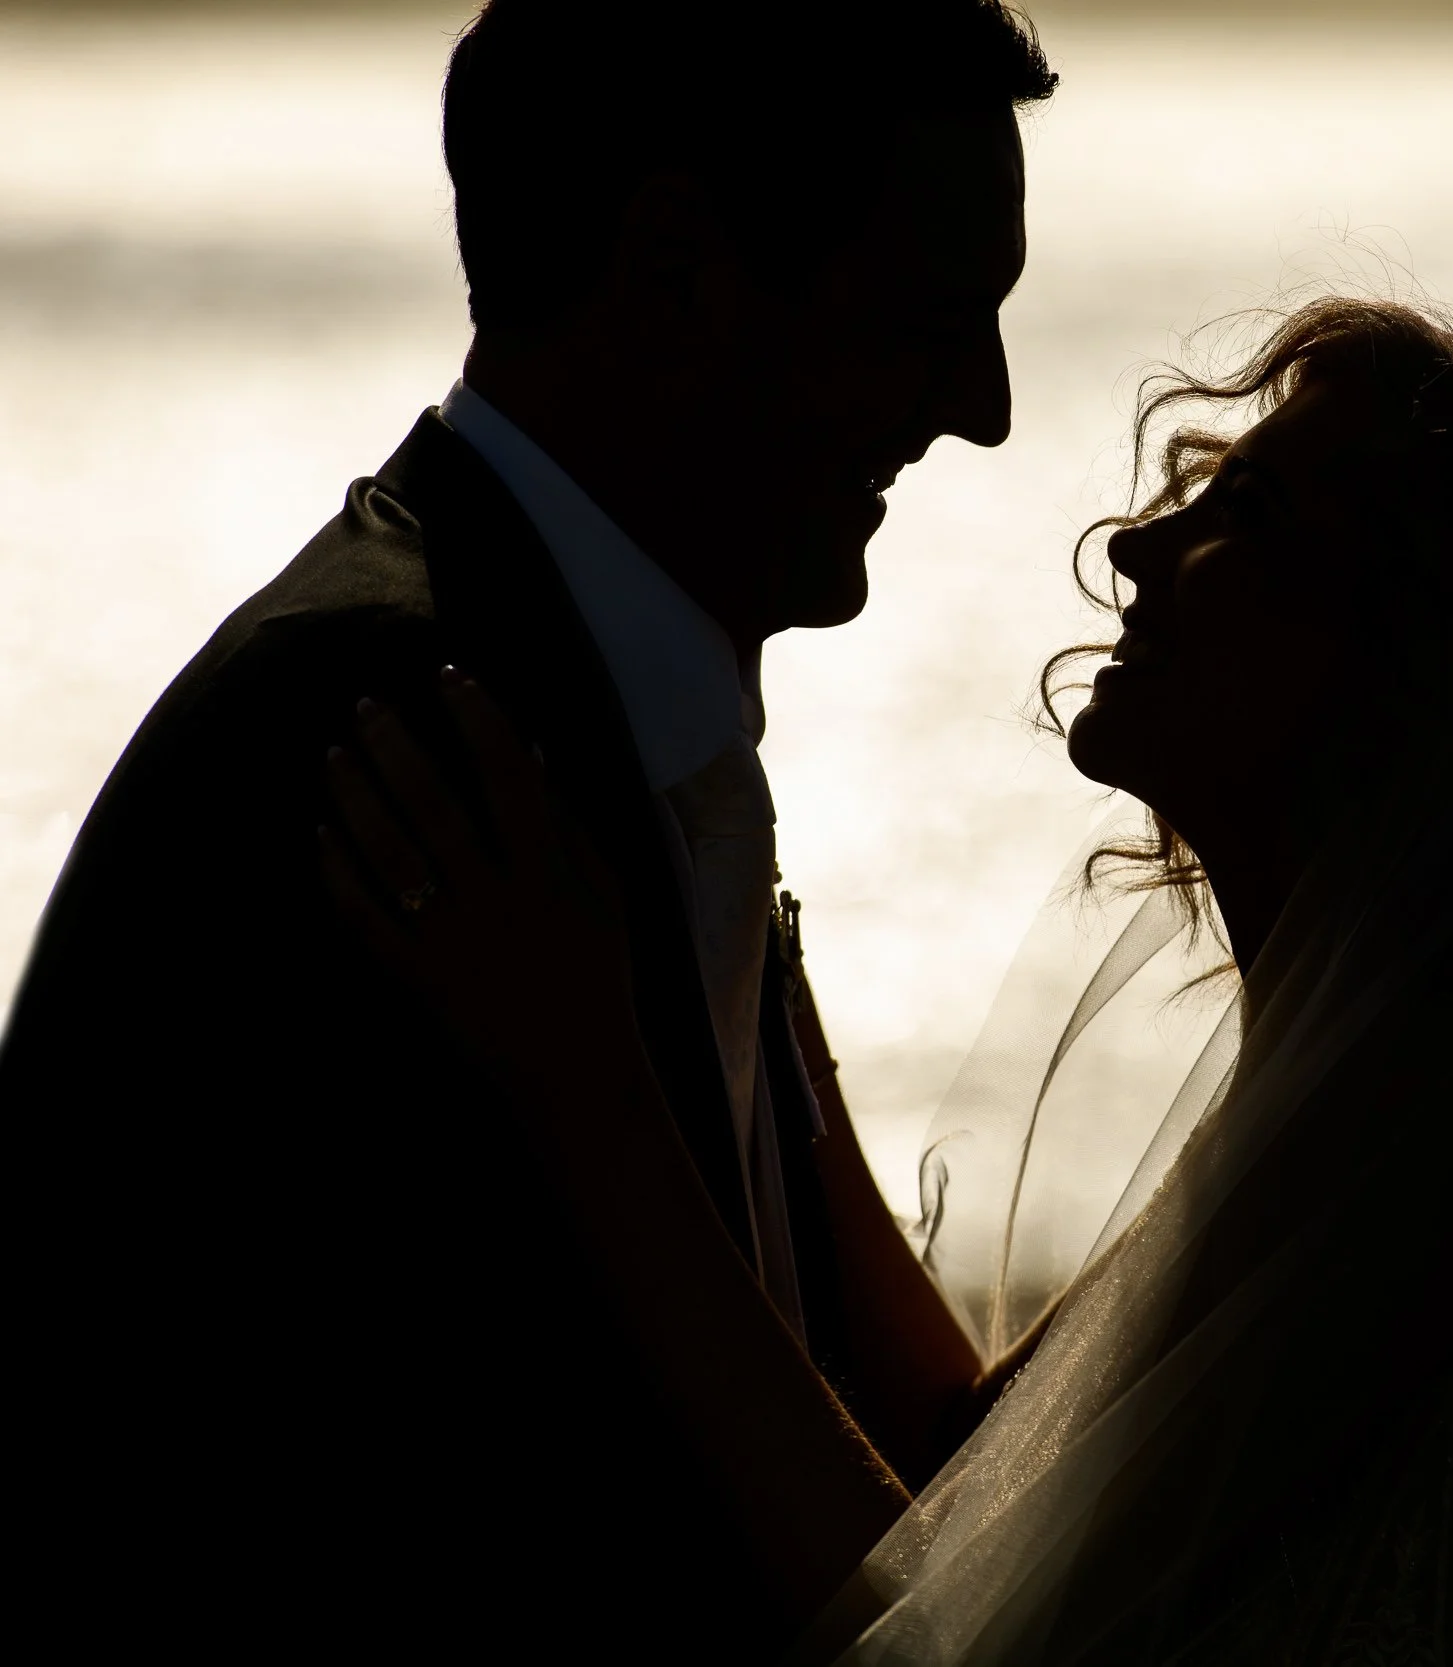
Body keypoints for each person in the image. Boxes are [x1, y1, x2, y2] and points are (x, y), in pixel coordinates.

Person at [319, 298, 1453, 1664]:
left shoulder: (1446, 1110)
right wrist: (749, 948)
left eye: (1247, 514)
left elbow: (933, 1637)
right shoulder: (1380, 1079)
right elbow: (967, 1470)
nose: (1138, 545)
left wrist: (584, 1087)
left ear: (1426, 675)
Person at [0, 3, 1056, 1656]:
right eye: (930, 314)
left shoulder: (585, 721)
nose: (982, 407)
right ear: (675, 268)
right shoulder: (389, 745)